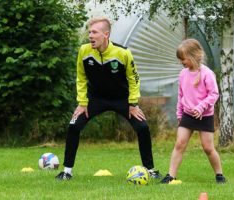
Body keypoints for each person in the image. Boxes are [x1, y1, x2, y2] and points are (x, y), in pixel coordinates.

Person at [55, 17, 161, 181]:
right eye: (89, 32)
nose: (90, 35)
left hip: (122, 99)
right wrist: (82, 103)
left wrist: (133, 104)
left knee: (142, 127)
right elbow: (81, 77)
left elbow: (134, 79)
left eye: (94, 32)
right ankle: (67, 172)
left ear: (106, 34)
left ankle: (150, 170)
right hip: (95, 99)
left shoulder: (123, 53)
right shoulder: (84, 51)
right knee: (74, 126)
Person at [160, 39, 226, 184]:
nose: (181, 61)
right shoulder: (183, 74)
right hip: (187, 115)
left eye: (183, 58)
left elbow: (214, 94)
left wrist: (201, 107)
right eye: (180, 59)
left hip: (205, 116)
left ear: (194, 55)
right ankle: (170, 176)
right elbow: (181, 95)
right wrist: (179, 114)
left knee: (208, 148)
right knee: (179, 144)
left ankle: (219, 175)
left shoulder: (207, 74)